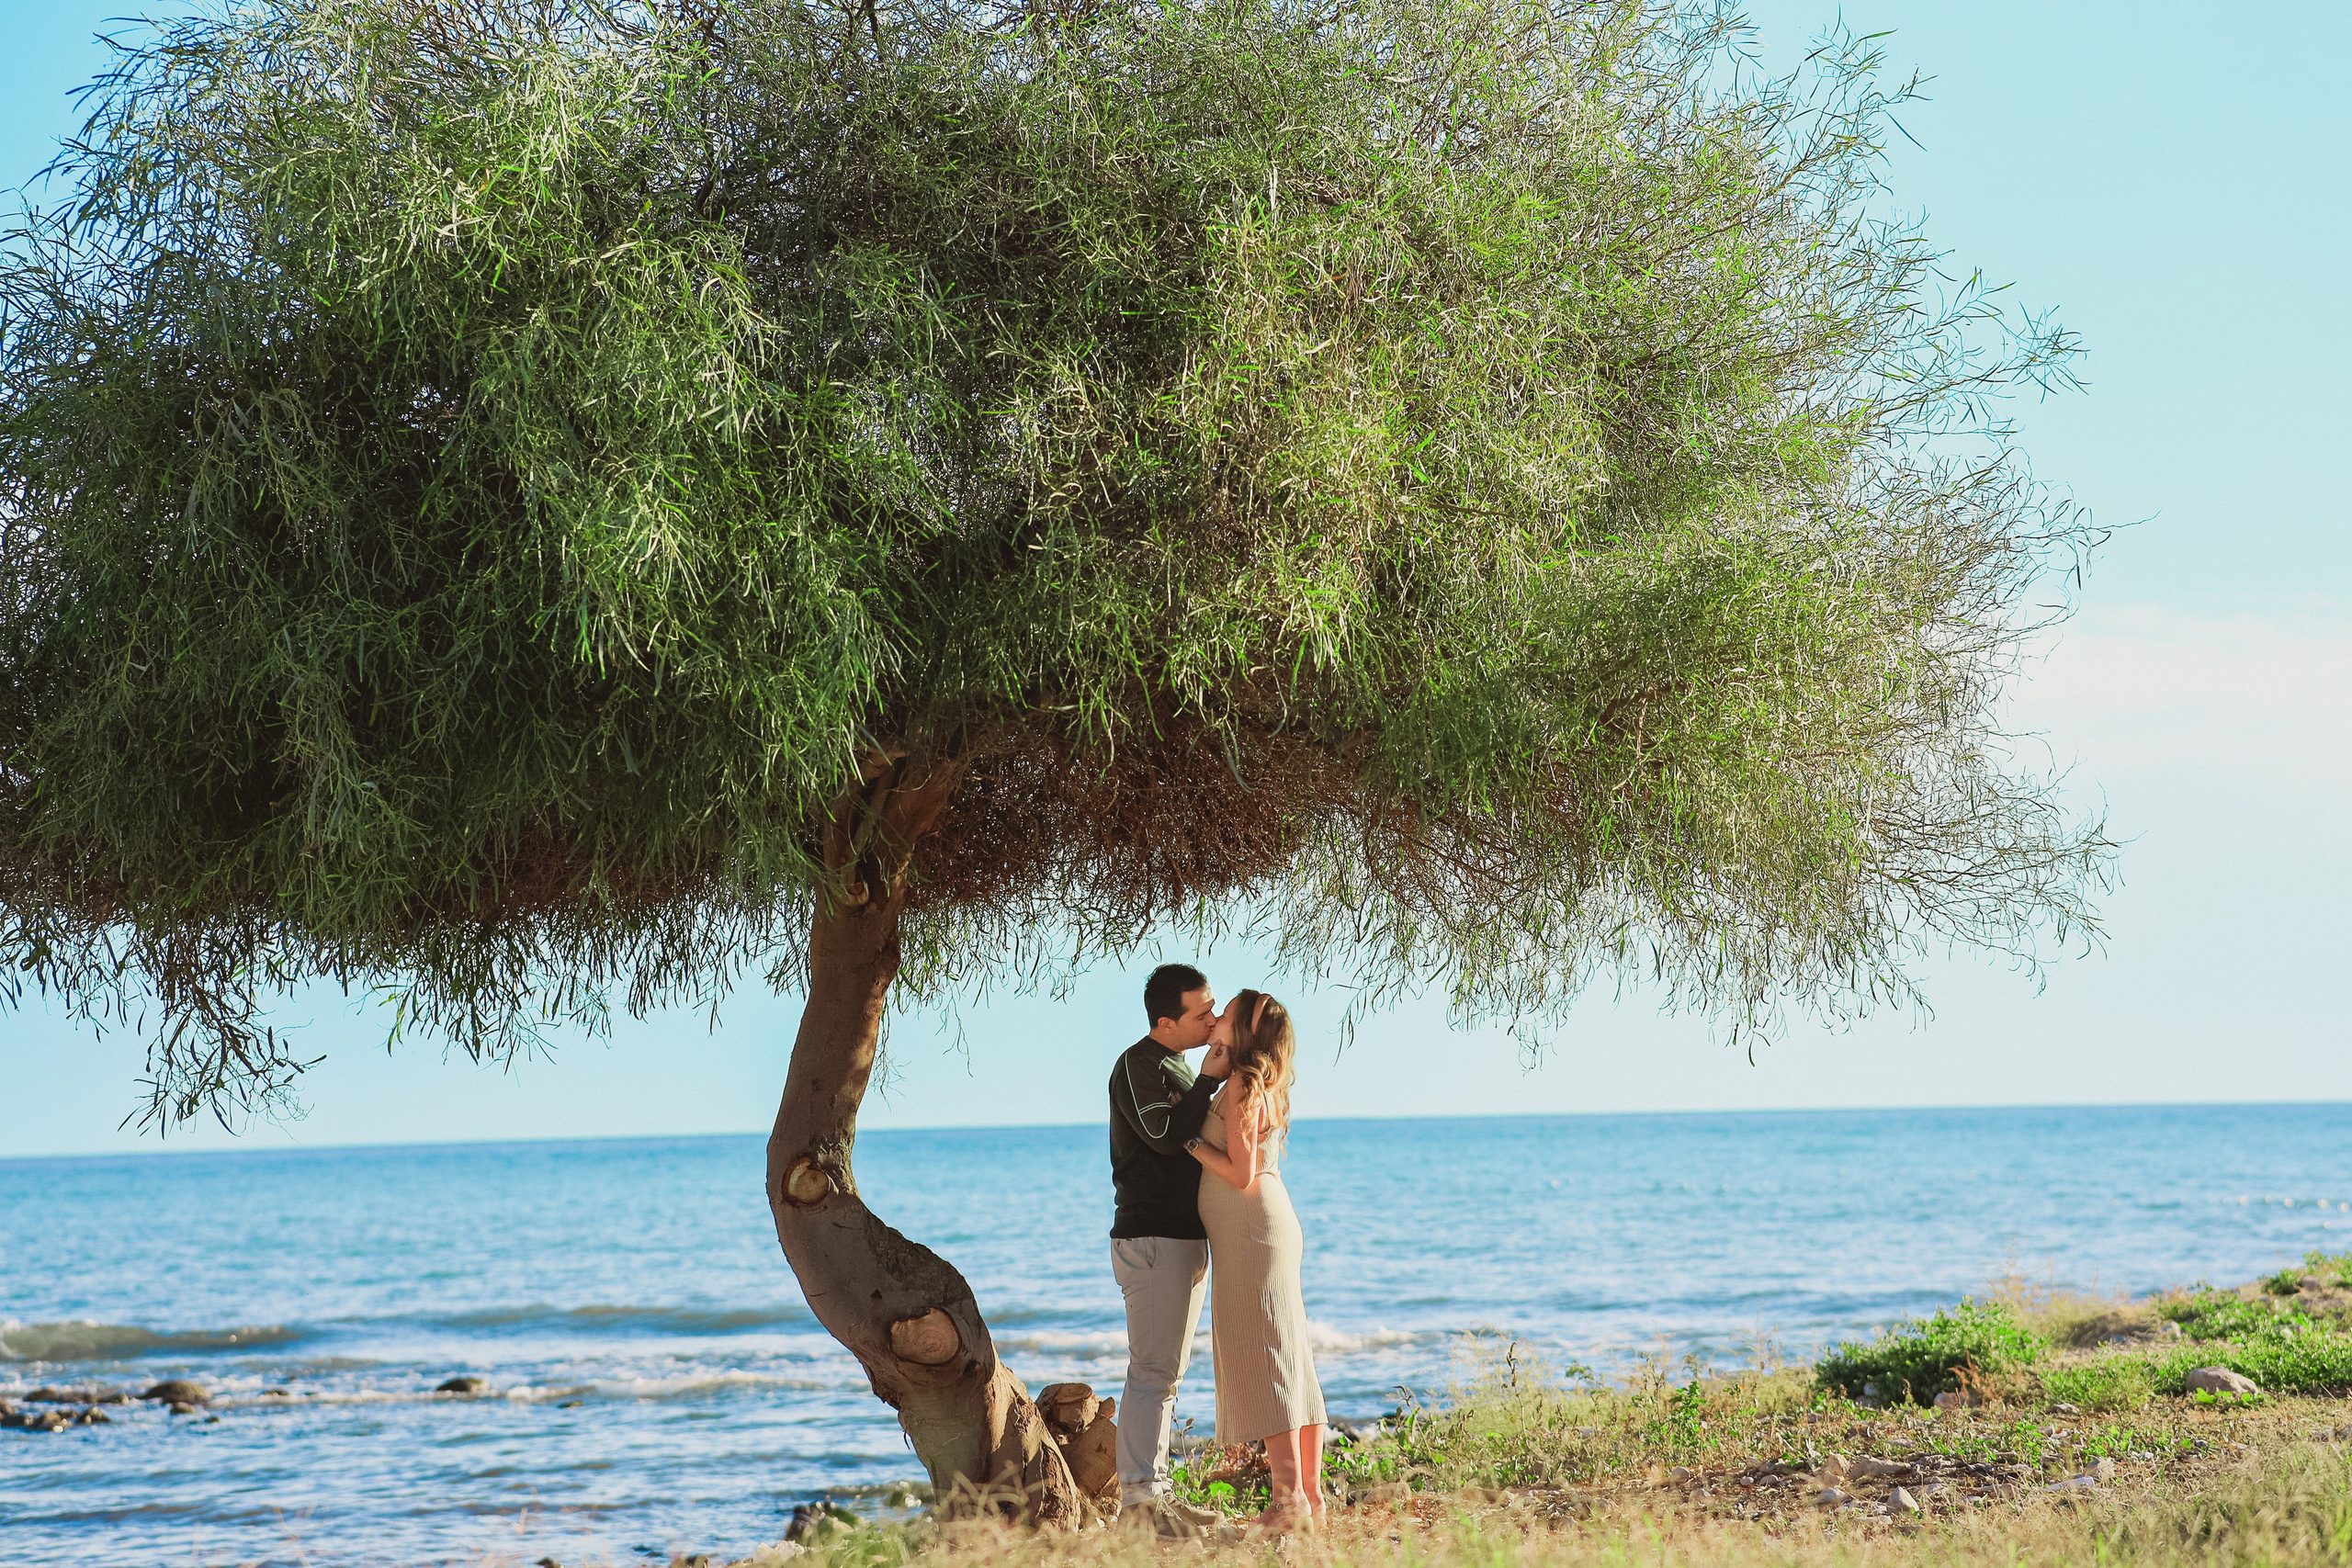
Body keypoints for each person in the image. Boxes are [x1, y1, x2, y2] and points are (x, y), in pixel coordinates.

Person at [1186, 989, 1327, 1531]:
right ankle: (1308, 1496)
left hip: (1252, 1231)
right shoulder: (1251, 1079)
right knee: (1287, 1355)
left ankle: (1288, 1501)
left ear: (1245, 1031)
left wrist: (1188, 1141)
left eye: (1227, 1014)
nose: (1216, 1017)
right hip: (1264, 1228)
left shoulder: (1244, 1081)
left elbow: (1240, 1173)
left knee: (1265, 1354)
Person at [1106, 962, 1227, 1533]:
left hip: (1178, 1237)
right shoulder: (1138, 1065)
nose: (1212, 1019)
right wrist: (1207, 1082)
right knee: (1153, 1371)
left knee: (1166, 1373)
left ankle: (1154, 1494)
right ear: (1166, 1021)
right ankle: (1140, 1505)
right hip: (1152, 1237)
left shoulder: (1173, 1064)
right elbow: (1162, 1136)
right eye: (1201, 1013)